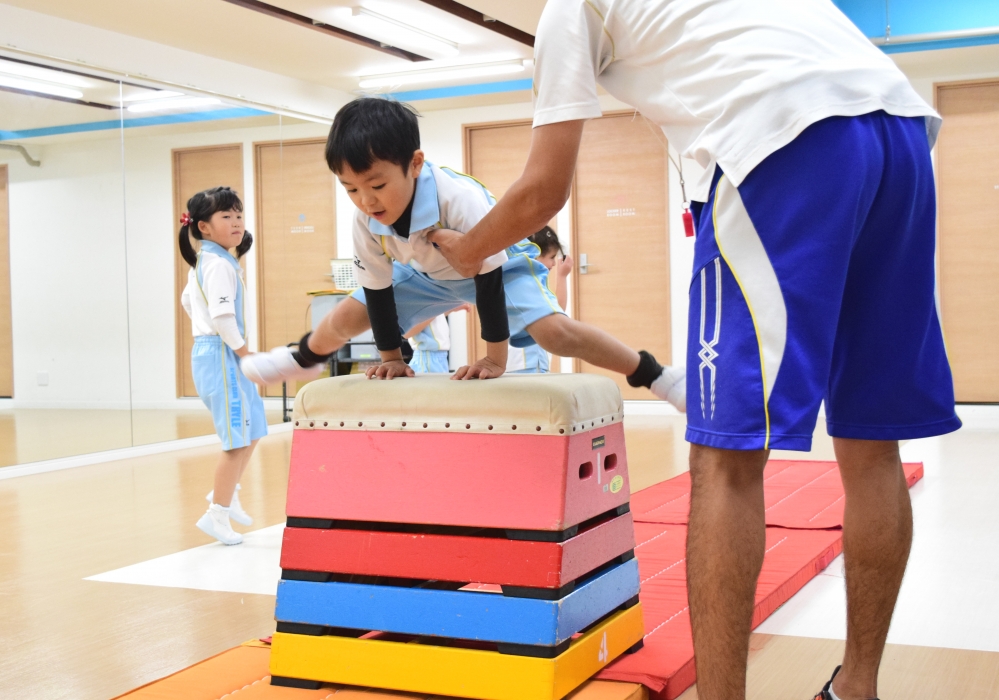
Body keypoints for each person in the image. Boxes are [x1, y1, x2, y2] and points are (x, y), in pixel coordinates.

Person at [425, 2, 962, 699]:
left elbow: (541, 190)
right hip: (899, 133)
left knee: (725, 459)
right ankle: (855, 689)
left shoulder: (569, 8)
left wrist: (465, 251)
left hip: (780, 139)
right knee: (870, 441)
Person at [242, 98, 686, 412]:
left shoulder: (459, 199)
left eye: (377, 185)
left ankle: (656, 375)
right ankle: (303, 358)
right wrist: (392, 358)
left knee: (556, 334)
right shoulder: (366, 221)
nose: (366, 200)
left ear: (415, 164)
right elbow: (377, 292)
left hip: (499, 266)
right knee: (345, 316)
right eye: (351, 188)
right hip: (427, 275)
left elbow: (488, 281)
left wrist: (495, 358)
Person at [179, 186, 269, 546]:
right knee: (235, 440)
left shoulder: (213, 262)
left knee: (255, 426)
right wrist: (245, 354)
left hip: (219, 352)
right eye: (226, 217)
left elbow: (188, 301)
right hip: (221, 355)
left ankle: (227, 494)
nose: (236, 223)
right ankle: (217, 512)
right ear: (203, 226)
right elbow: (222, 317)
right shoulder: (216, 265)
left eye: (238, 215)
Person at [507, 226, 571, 374]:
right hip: (525, 362)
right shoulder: (527, 284)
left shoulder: (525, 281)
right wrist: (562, 277)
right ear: (534, 255)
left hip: (524, 361)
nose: (554, 264)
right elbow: (558, 311)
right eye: (551, 258)